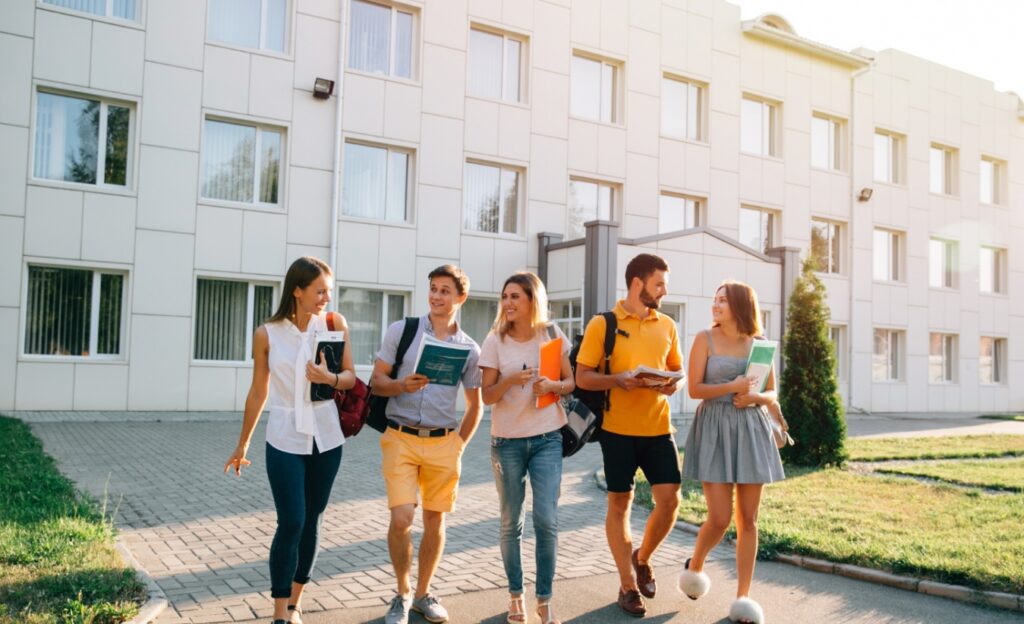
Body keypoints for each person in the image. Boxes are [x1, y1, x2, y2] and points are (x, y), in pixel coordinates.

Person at [224, 256, 356, 624]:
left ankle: (296, 604)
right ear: (297, 290)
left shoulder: (333, 323)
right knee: (292, 520)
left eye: (329, 291)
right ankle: (279, 611)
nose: (326, 298)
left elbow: (350, 377)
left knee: (312, 519)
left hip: (326, 438)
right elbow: (257, 392)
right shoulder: (267, 333)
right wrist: (243, 443)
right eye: (319, 291)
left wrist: (328, 377)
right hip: (283, 437)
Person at [370, 265, 484, 624]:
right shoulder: (402, 331)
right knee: (402, 517)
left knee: (435, 521)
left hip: (443, 442)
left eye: (445, 290)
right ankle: (401, 594)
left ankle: (423, 594)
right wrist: (402, 386)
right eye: (433, 289)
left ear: (460, 298)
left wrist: (459, 444)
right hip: (400, 436)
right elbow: (375, 382)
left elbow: (476, 404)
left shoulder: (469, 348)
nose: (436, 296)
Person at [575, 253, 685, 617]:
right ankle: (627, 585)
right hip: (617, 431)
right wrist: (616, 380)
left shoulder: (667, 325)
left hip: (658, 428)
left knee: (669, 501)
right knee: (619, 505)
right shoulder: (602, 324)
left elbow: (675, 368)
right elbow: (582, 377)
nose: (664, 291)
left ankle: (643, 558)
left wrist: (670, 385)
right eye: (659, 284)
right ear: (638, 283)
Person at [678, 280, 786, 624]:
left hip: (751, 430)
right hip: (715, 428)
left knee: (749, 520)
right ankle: (695, 566)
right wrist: (733, 386)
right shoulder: (703, 339)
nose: (716, 305)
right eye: (715, 299)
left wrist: (754, 397)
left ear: (740, 305)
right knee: (721, 517)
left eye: (723, 300)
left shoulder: (759, 345)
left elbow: (772, 391)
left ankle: (743, 597)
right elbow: (695, 389)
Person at [479, 272, 575, 624]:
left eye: (515, 297)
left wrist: (552, 384)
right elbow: (487, 395)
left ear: (532, 300)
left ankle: (545, 599)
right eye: (505, 297)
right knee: (510, 523)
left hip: (548, 436)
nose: (507, 303)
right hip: (507, 442)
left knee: (546, 520)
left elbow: (570, 382)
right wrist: (509, 380)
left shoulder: (551, 334)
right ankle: (516, 595)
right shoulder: (495, 340)